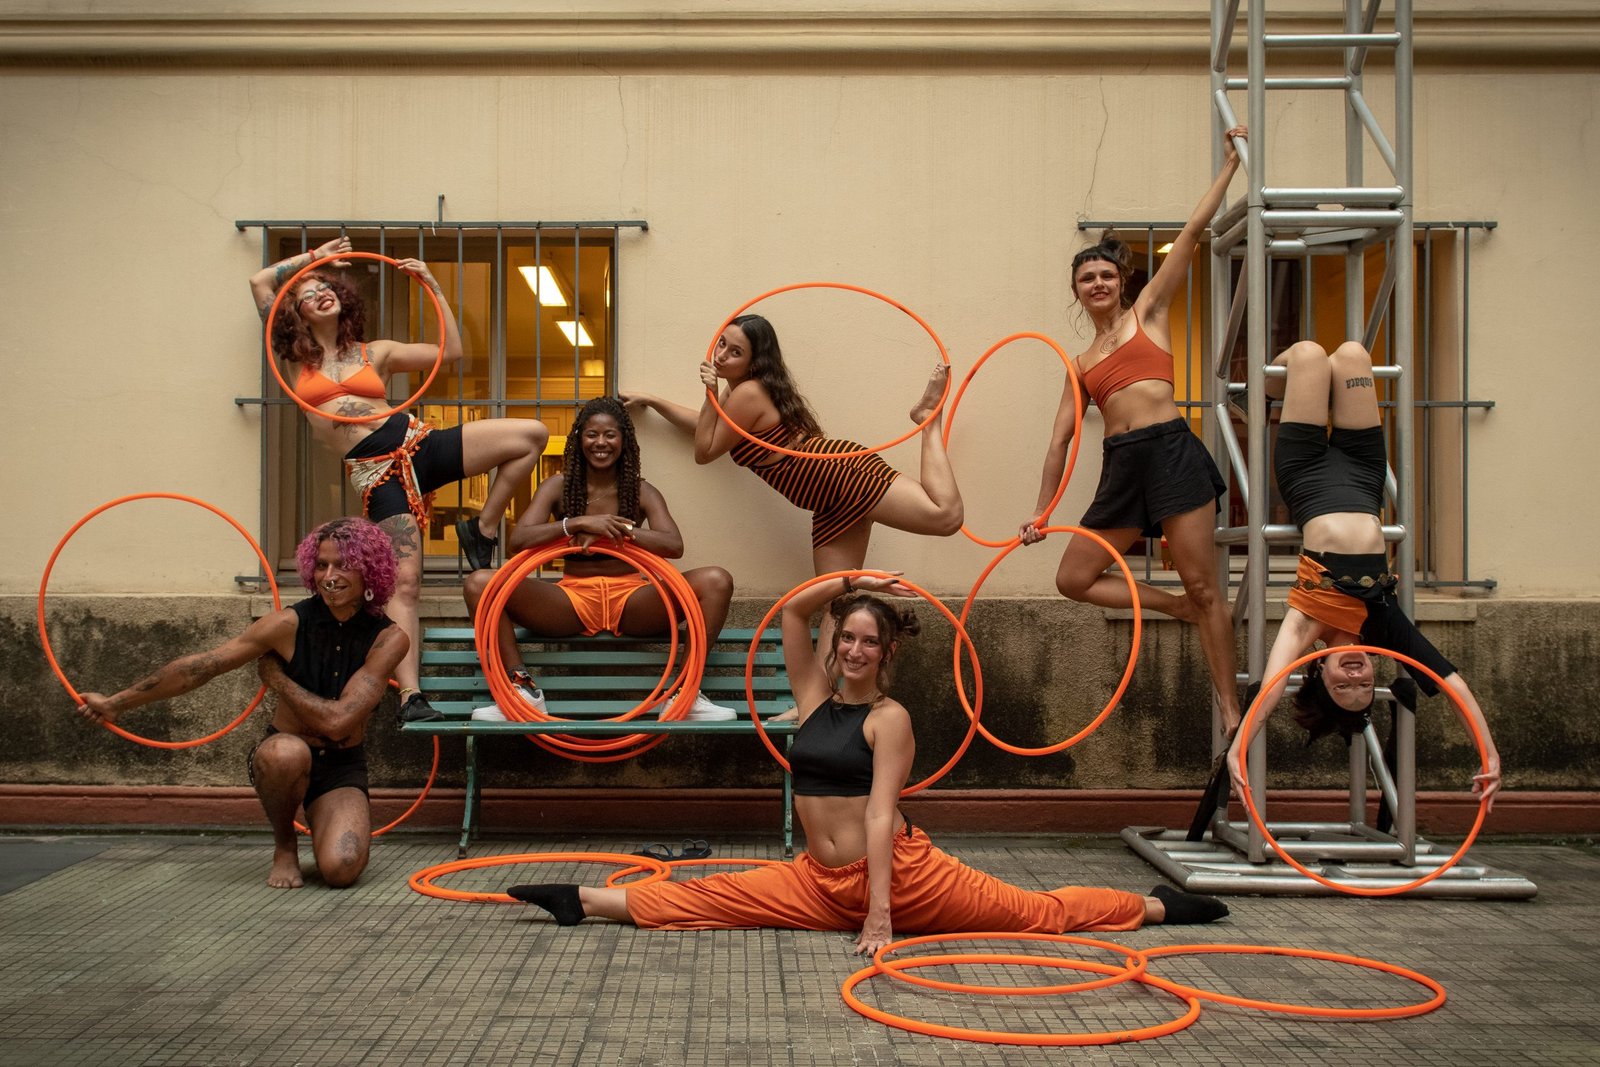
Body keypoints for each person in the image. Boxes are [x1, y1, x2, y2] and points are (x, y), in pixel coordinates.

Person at [504, 570, 1229, 949]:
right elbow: (790, 613)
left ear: (887, 653)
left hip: (902, 880)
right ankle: (585, 900)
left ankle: (1157, 907)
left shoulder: (891, 719)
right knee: (718, 895)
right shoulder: (816, 695)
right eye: (846, 635)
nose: (853, 649)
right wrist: (854, 578)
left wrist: (880, 914)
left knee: (1036, 914)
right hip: (819, 880)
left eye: (867, 641)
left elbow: (882, 814)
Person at [250, 236, 549, 724]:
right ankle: (412, 696)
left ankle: (484, 527)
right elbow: (260, 280)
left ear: (341, 299)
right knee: (404, 584)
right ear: (296, 313)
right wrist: (315, 259)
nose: (319, 292)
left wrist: (432, 283)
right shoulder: (297, 362)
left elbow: (449, 352)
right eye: (307, 293)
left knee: (530, 435)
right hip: (375, 472)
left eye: (326, 286)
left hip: (418, 444)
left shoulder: (376, 352)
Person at [1020, 128, 1249, 735]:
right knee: (1073, 579)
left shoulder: (1148, 312)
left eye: (1106, 275)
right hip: (1122, 464)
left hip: (1171, 453)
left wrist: (1230, 166)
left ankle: (1230, 708)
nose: (1098, 283)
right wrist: (1041, 514)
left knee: (1205, 586)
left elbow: (1193, 233)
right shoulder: (1079, 362)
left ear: (1121, 282)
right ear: (1076, 292)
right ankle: (1169, 606)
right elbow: (1059, 441)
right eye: (1086, 278)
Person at [1224, 340, 1502, 807]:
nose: (1354, 678)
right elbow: (1452, 682)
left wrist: (1239, 749)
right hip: (1363, 476)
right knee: (1353, 355)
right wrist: (1490, 754)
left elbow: (1270, 690)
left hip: (1306, 475)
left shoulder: (1304, 624)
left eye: (1342, 686)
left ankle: (1256, 396)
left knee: (1310, 354)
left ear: (1319, 672)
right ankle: (1307, 391)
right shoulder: (1382, 623)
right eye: (1363, 686)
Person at [76, 518, 409, 889]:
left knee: (342, 869)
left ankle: (322, 814)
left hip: (342, 766)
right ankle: (285, 847)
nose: (328, 576)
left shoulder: (389, 638)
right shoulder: (287, 624)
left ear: (369, 570)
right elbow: (201, 668)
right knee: (285, 754)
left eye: (343, 565)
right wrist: (116, 702)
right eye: (320, 565)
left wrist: (278, 680)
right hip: (286, 752)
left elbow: (338, 722)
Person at [621, 313, 963, 577]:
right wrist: (654, 400)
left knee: (945, 517)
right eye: (722, 343)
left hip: (840, 475)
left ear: (753, 362)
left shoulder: (748, 392)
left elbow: (705, 451)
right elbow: (708, 428)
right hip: (828, 503)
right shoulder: (738, 392)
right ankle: (824, 672)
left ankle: (927, 420)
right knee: (835, 601)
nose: (722, 356)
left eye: (735, 351)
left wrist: (709, 393)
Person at [463, 396, 739, 722]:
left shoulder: (641, 491)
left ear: (624, 440)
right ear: (579, 438)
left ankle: (684, 693)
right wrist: (577, 523)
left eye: (610, 435)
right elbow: (519, 541)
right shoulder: (557, 487)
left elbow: (672, 544)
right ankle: (521, 689)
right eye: (592, 434)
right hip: (570, 600)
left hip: (631, 599)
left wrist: (612, 530)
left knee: (717, 580)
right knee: (478, 584)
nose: (601, 443)